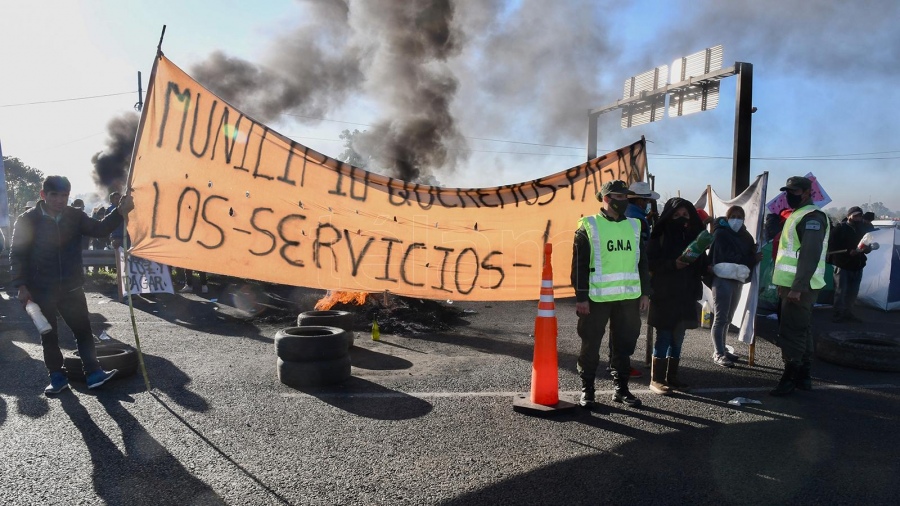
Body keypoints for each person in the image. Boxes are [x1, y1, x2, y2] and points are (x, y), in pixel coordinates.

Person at [8, 175, 134, 395]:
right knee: (49, 334)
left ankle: (94, 373)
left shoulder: (75, 216)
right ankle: (57, 377)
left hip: (71, 287)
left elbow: (100, 229)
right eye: (54, 195)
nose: (59, 200)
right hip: (41, 289)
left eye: (64, 195)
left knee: (83, 331)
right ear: (43, 195)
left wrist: (120, 211)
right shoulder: (27, 219)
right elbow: (17, 255)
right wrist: (21, 285)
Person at [572, 180, 651, 408]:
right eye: (618, 197)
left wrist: (645, 292)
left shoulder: (634, 226)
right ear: (606, 199)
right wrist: (581, 297)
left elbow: (642, 262)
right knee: (590, 345)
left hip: (627, 298)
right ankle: (588, 391)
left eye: (625, 197)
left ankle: (621, 389)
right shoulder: (589, 226)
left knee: (624, 345)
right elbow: (578, 265)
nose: (623, 201)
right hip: (596, 299)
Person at [770, 176, 830, 396]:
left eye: (793, 191)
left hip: (800, 287)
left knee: (792, 331)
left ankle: (789, 378)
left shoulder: (812, 216)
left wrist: (797, 287)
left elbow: (809, 254)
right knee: (802, 329)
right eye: (787, 191)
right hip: (793, 285)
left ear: (806, 192)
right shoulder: (798, 215)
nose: (789, 195)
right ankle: (804, 376)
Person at [645, 198, 707, 394]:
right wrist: (673, 264)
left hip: (686, 296)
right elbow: (649, 263)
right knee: (663, 336)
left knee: (678, 338)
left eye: (685, 215)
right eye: (677, 215)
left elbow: (702, 266)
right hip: (664, 295)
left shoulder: (693, 237)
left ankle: (672, 376)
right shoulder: (659, 237)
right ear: (668, 217)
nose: (681, 219)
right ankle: (657, 379)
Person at [708, 205, 759, 367]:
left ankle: (723, 349)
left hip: (737, 280)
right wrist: (752, 258)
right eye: (733, 215)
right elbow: (726, 257)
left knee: (728, 318)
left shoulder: (745, 236)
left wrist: (752, 253)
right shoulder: (720, 233)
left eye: (740, 216)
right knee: (720, 318)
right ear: (727, 217)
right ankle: (718, 353)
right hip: (722, 279)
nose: (736, 219)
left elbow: (747, 252)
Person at [828, 206, 872, 323]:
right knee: (840, 291)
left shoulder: (861, 229)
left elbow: (865, 243)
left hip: (858, 265)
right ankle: (838, 314)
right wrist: (848, 251)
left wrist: (867, 249)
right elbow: (831, 248)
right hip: (843, 265)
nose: (858, 218)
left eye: (860, 216)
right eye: (855, 215)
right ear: (849, 216)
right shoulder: (840, 229)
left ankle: (848, 313)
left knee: (853, 292)